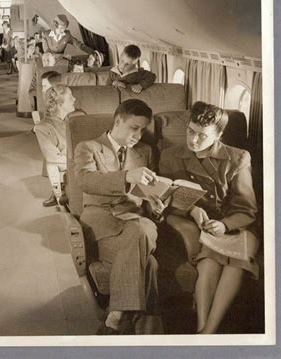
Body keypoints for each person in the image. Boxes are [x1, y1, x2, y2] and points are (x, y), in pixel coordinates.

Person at [158, 101, 259, 334]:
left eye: (202, 136)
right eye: (190, 131)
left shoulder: (238, 158)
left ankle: (208, 331)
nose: (193, 140)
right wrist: (191, 209)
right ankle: (203, 328)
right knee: (209, 263)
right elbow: (166, 195)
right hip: (202, 225)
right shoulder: (169, 156)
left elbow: (248, 209)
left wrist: (225, 225)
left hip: (237, 224)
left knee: (236, 265)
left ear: (219, 135)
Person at [74, 99, 165, 335]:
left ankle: (115, 319)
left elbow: (148, 192)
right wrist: (127, 177)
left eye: (143, 129)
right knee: (150, 265)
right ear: (118, 121)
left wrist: (155, 204)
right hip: (102, 221)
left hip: (137, 218)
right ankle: (148, 328)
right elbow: (86, 180)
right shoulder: (88, 147)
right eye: (134, 127)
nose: (139, 134)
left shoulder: (145, 152)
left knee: (141, 228)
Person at [34, 85, 76, 207]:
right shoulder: (43, 128)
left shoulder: (78, 119)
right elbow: (53, 159)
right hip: (75, 166)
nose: (75, 99)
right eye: (70, 97)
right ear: (59, 104)